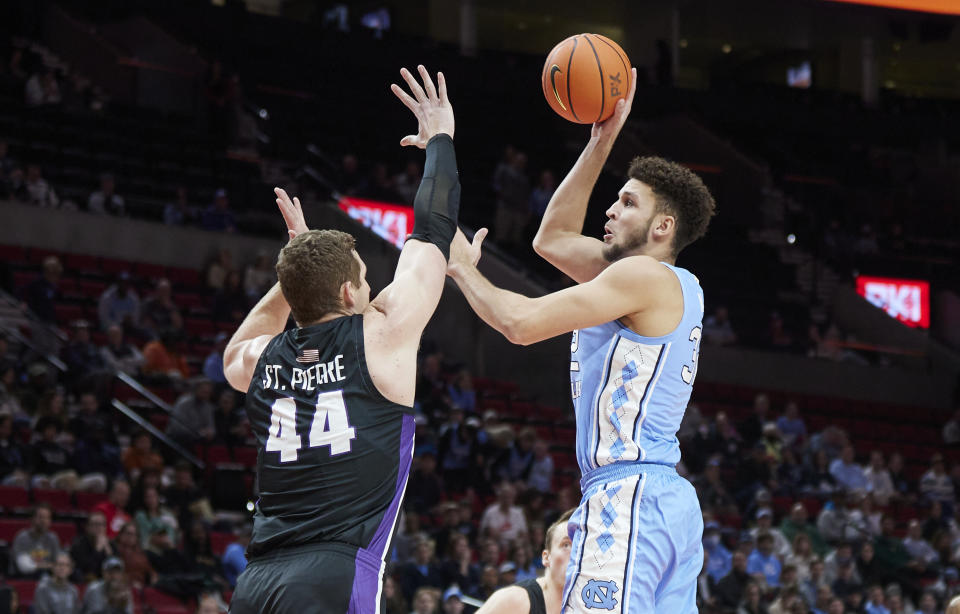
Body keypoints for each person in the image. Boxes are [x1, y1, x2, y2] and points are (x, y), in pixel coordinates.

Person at [445, 68, 716, 613]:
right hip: (666, 500)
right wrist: (600, 141)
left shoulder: (638, 278)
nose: (611, 210)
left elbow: (518, 323)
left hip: (629, 494)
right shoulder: (660, 283)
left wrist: (461, 270)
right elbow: (552, 239)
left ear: (662, 227)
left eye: (628, 202)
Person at [226, 64, 461, 614]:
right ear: (349, 292)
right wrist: (441, 140)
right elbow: (431, 231)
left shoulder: (261, 360)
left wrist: (293, 273)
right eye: (362, 272)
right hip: (333, 573)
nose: (371, 281)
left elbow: (236, 348)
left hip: (256, 584)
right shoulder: (383, 334)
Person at [476, 509, 574, 614]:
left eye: (584, 547)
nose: (576, 553)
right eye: (566, 545)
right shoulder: (514, 600)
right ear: (546, 557)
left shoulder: (589, 604)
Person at [12, 503, 60, 577]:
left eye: (47, 518)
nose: (44, 521)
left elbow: (57, 563)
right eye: (41, 517)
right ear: (32, 519)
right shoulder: (22, 537)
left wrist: (36, 565)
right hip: (26, 577)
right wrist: (46, 566)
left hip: (48, 576)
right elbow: (23, 566)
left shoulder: (53, 538)